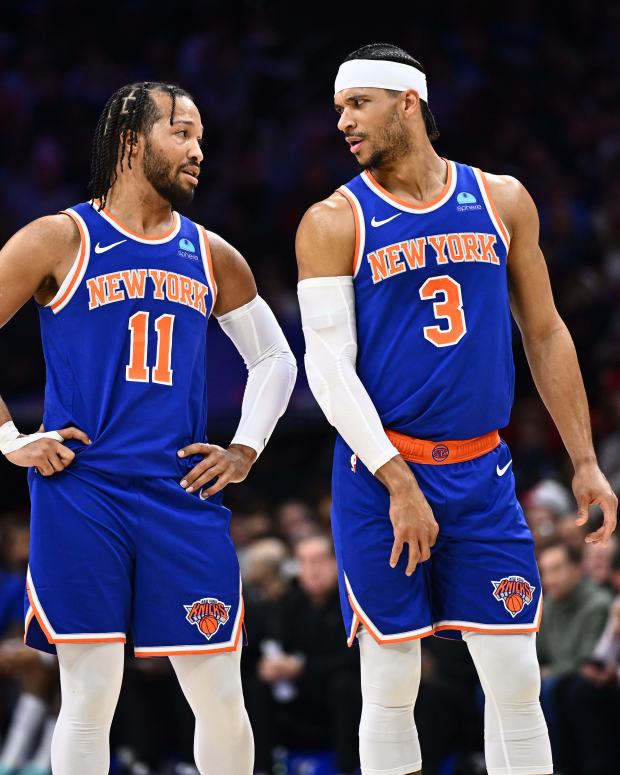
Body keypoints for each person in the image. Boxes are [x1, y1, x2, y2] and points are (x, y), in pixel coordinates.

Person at [295, 42, 618, 775]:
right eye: (338, 108)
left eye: (358, 104)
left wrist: (586, 460)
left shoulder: (501, 197)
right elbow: (327, 367)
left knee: (515, 677)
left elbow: (545, 331)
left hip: (480, 469)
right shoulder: (332, 219)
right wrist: (398, 481)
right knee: (391, 683)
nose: (342, 122)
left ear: (408, 101)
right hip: (380, 475)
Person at [0, 81, 297, 775]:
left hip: (179, 491)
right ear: (132, 142)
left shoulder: (211, 253)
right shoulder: (59, 237)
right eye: (182, 133)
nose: (198, 150)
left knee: (222, 695)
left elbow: (276, 359)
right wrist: (10, 438)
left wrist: (247, 447)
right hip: (83, 491)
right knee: (90, 693)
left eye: (200, 136)